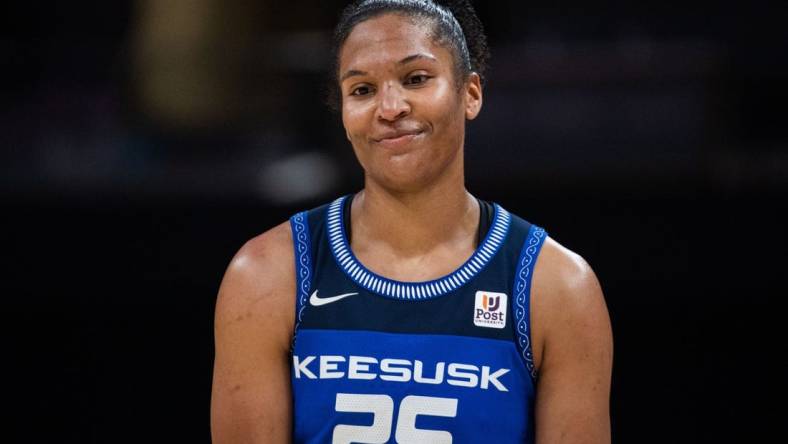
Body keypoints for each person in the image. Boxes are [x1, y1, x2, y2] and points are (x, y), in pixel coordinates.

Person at [210, 0, 613, 442]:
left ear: (471, 93)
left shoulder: (556, 287)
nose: (389, 107)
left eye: (416, 79)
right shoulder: (267, 275)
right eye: (361, 89)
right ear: (343, 115)